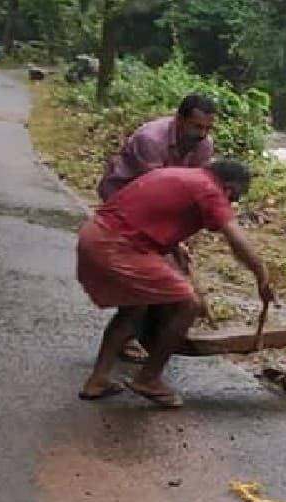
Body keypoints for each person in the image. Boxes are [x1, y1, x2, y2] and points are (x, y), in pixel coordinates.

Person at [76, 161, 274, 408]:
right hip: (117, 247)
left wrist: (174, 246)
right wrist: (262, 275)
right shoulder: (210, 189)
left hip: (93, 236)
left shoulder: (183, 175)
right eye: (233, 200)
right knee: (188, 304)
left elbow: (146, 212)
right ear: (230, 189)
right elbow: (236, 239)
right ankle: (148, 378)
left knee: (134, 307)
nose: (230, 205)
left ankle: (98, 379)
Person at [96, 94, 219, 363]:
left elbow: (195, 192)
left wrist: (185, 237)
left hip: (164, 204)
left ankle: (152, 333)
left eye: (208, 128)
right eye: (197, 127)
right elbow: (151, 197)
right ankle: (125, 339)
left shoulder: (204, 146)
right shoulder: (150, 140)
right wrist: (172, 242)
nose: (203, 134)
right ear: (179, 119)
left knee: (171, 268)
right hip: (125, 201)